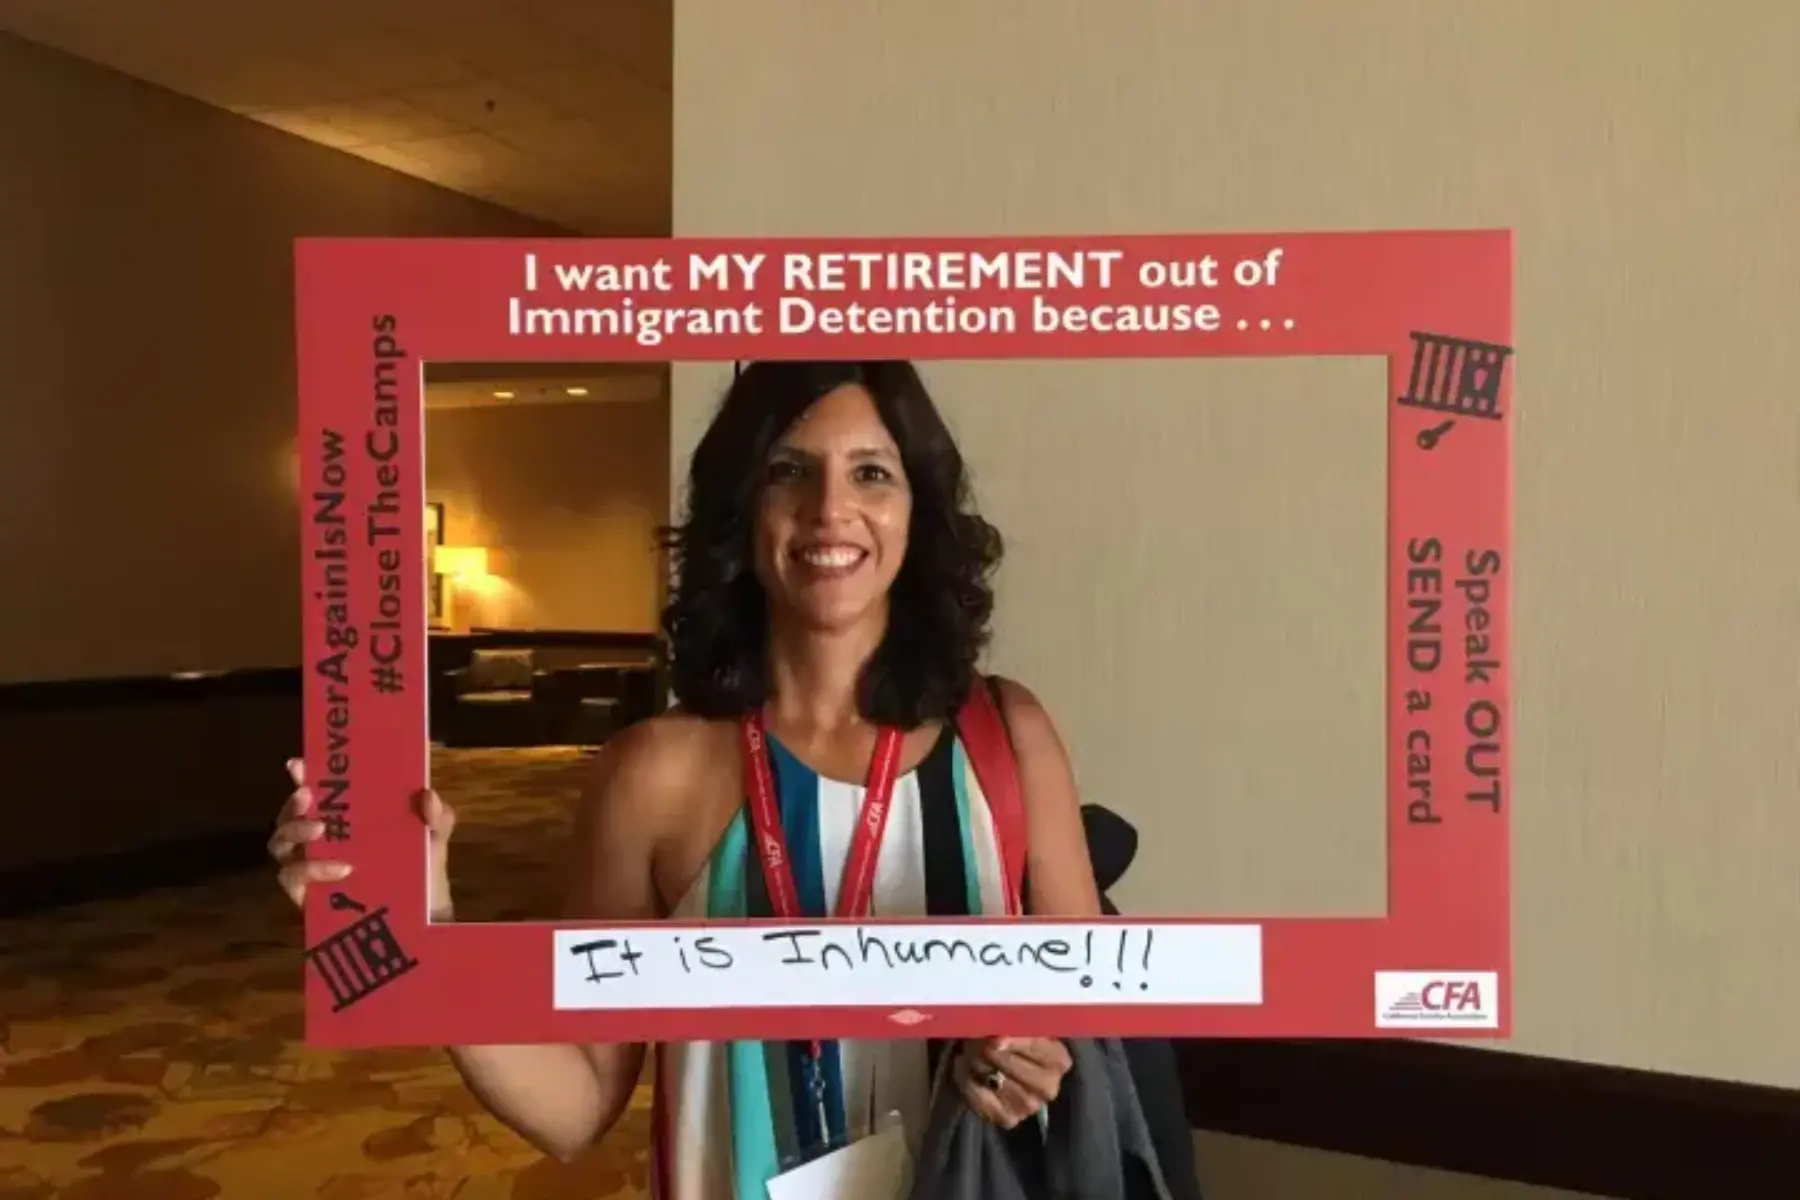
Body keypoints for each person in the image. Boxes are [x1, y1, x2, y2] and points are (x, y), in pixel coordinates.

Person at [268, 360, 1103, 1199]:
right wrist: (423, 923)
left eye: (872, 473)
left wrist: (1036, 1055)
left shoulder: (1007, 739)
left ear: (917, 511)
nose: (830, 509)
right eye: (789, 470)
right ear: (743, 510)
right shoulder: (652, 775)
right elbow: (577, 1104)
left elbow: (1086, 1028)